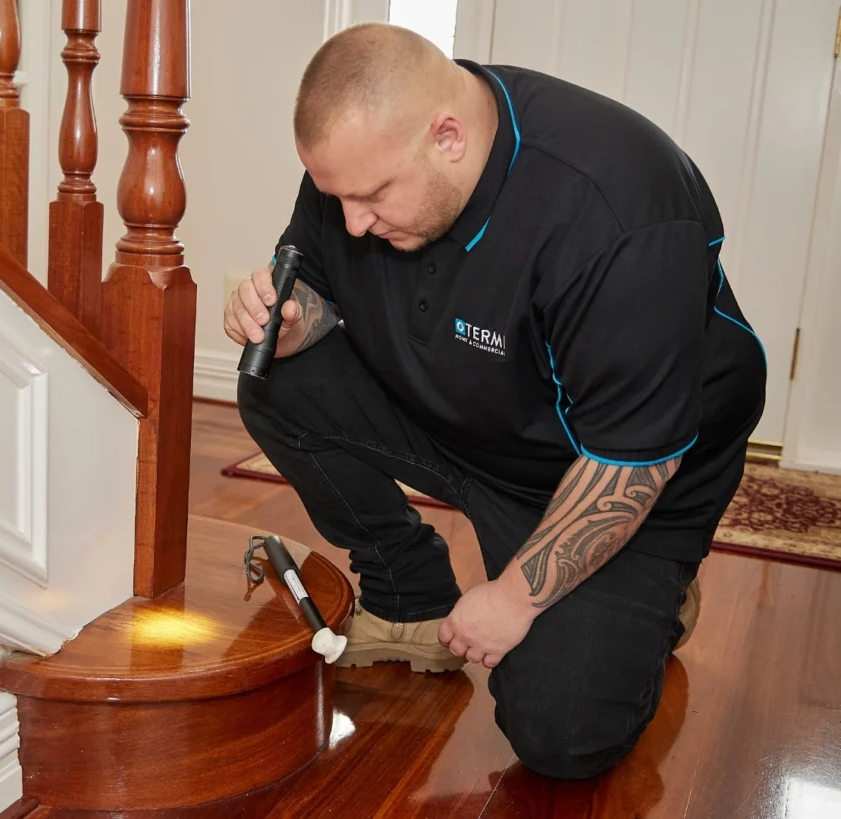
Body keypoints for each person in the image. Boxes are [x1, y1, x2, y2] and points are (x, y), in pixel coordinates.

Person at [224, 22, 766, 780]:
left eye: (372, 196)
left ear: (448, 137)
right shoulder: (364, 166)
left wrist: (513, 596)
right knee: (271, 375)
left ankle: (651, 597)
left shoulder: (617, 205)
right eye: (334, 196)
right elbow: (318, 284)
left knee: (562, 734)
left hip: (615, 473)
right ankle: (408, 594)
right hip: (470, 422)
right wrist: (282, 320)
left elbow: (634, 460)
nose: (351, 221)